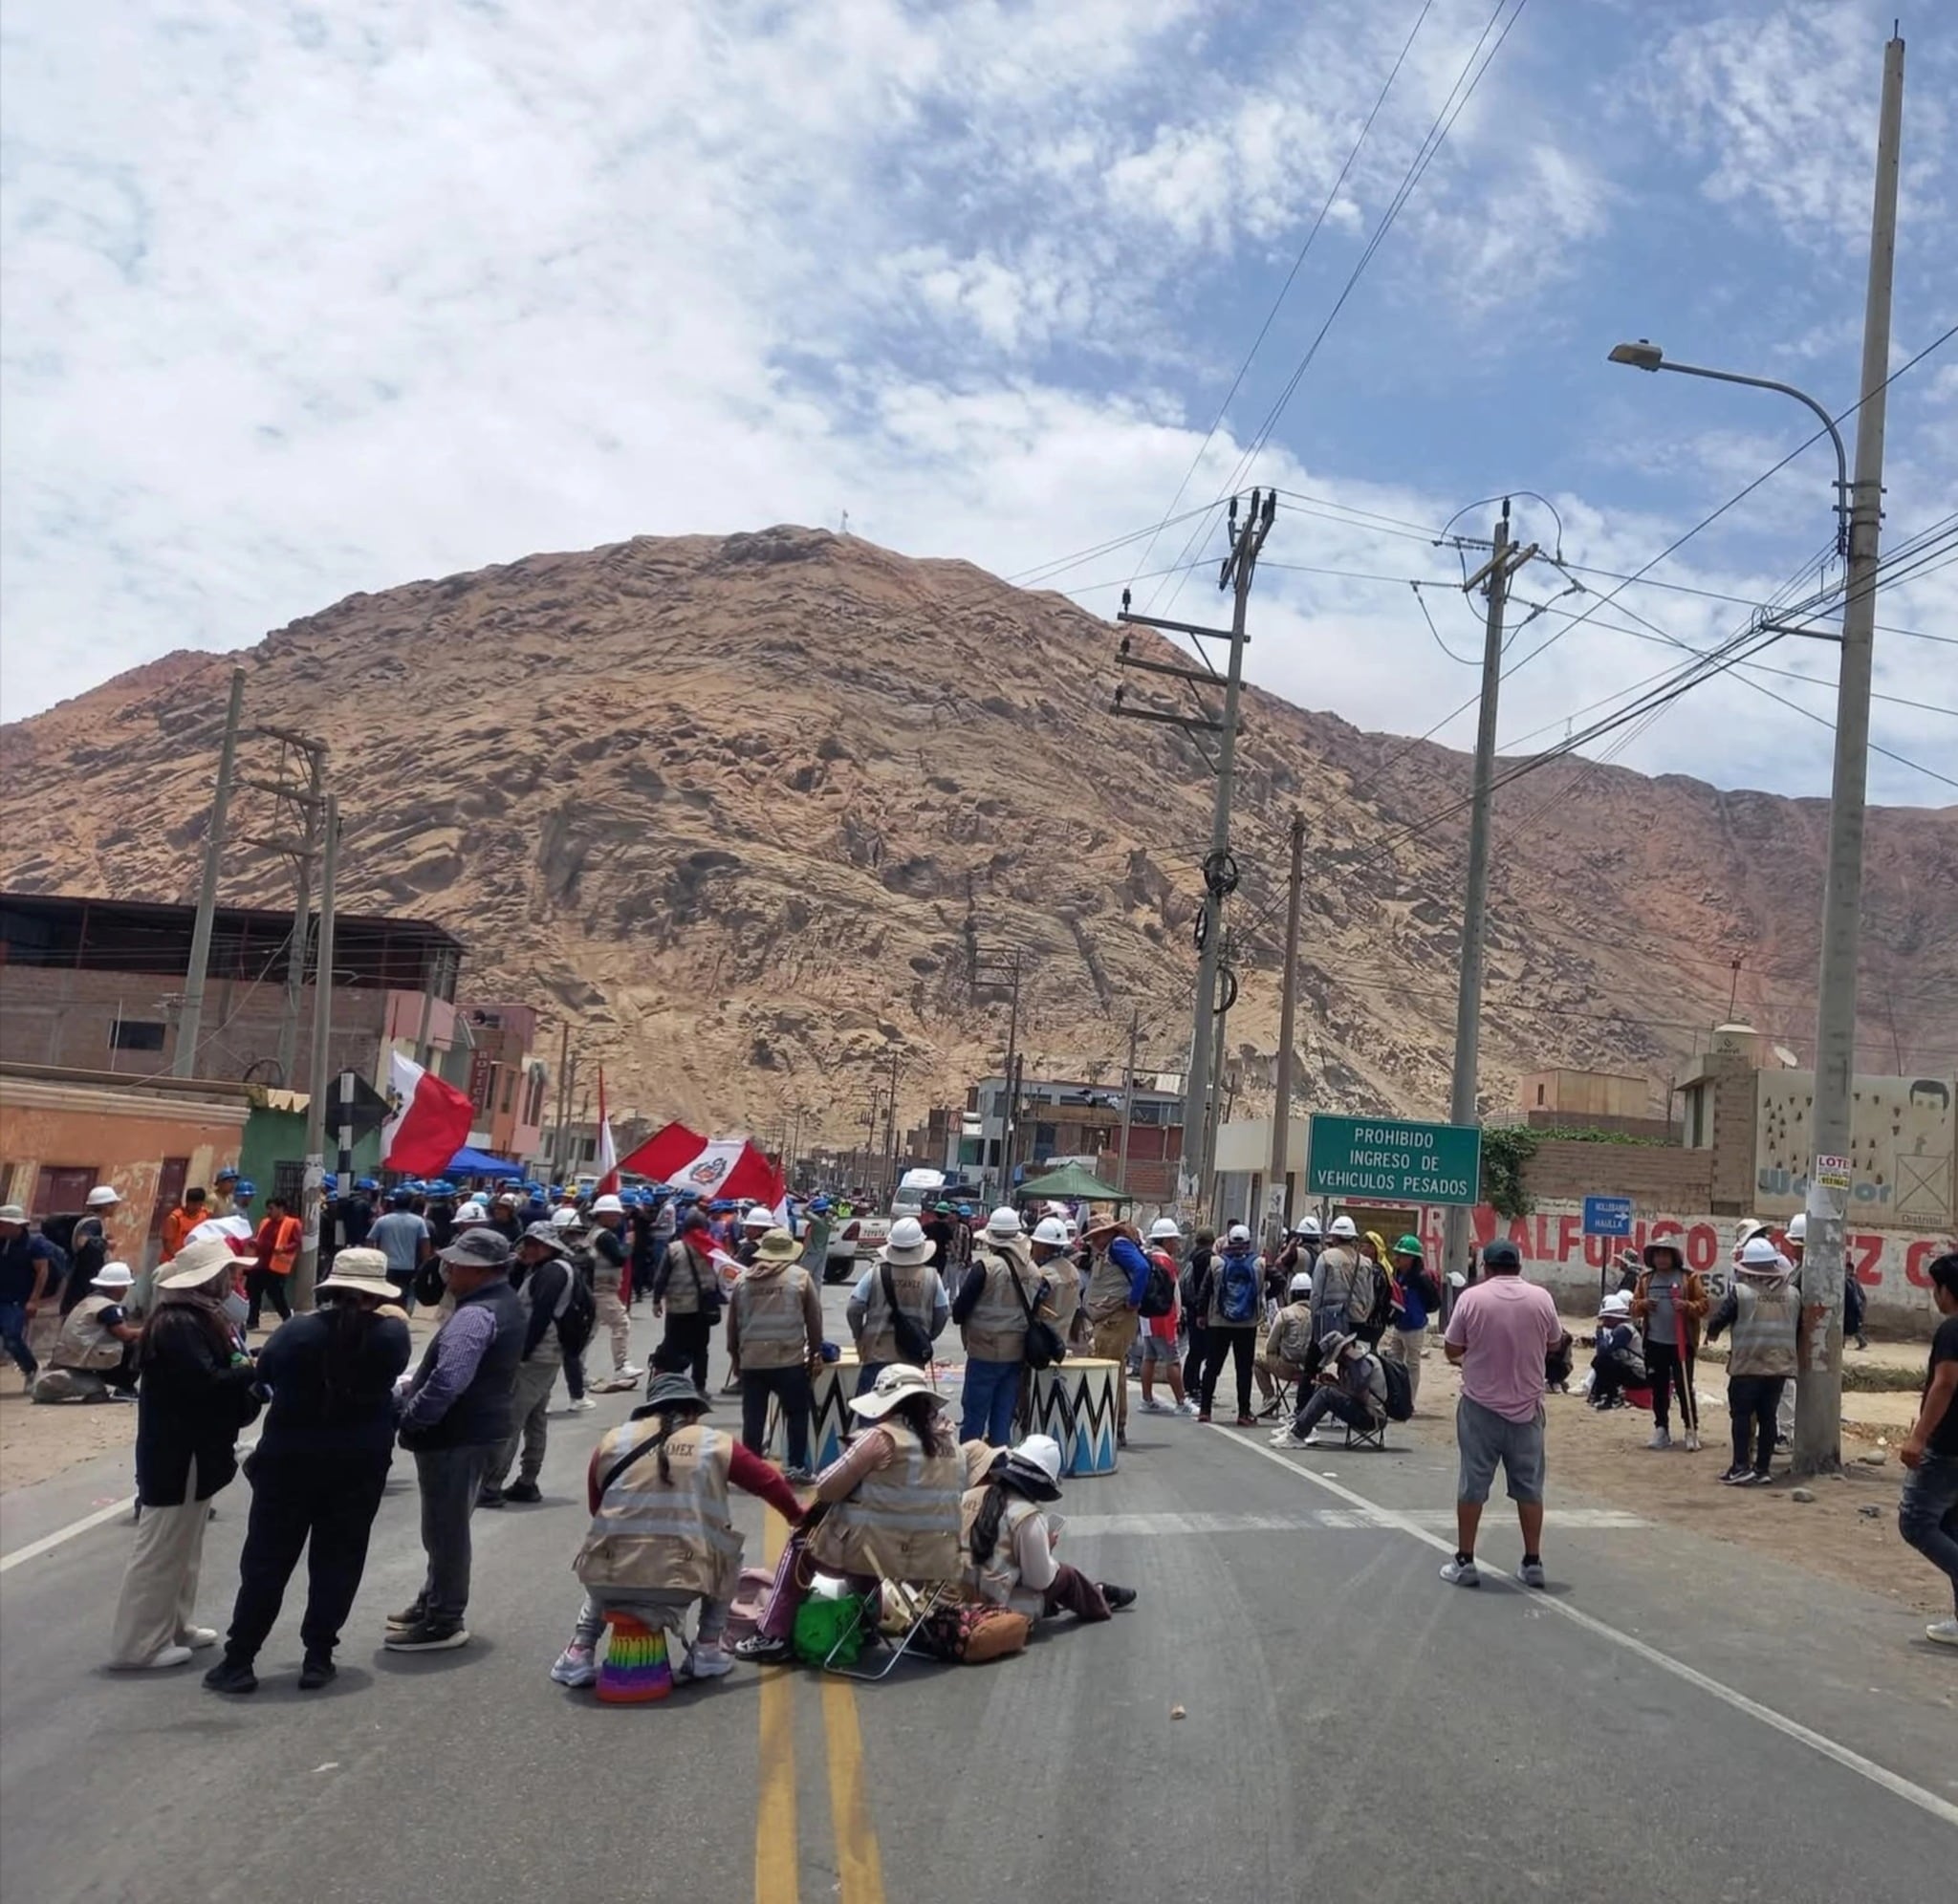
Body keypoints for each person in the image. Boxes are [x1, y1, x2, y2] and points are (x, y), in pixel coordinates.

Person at [202, 1250, 413, 1693]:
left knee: (266, 1562)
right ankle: (318, 1656)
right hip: (359, 1464)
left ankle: (240, 1659)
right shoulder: (393, 1336)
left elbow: (266, 1375)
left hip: (289, 1461)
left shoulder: (298, 1330)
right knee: (339, 1559)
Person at [550, 1373, 807, 1690]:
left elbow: (596, 1508)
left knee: (610, 1550)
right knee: (728, 1549)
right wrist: (796, 1516)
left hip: (607, 1582)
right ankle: (707, 1648)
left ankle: (579, 1651)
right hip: (681, 1583)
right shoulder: (715, 1442)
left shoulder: (613, 1440)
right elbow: (768, 1482)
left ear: (648, 1410)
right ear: (693, 1412)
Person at [734, 1364, 966, 1663]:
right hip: (936, 1559)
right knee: (871, 1542)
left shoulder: (881, 1439)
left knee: (802, 1543)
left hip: (879, 1555)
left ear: (888, 1405)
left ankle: (774, 1634)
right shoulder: (952, 1445)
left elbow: (827, 1486)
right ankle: (866, 1625)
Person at [107, 1239, 263, 1668]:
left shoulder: (197, 1318)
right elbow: (206, 1381)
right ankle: (139, 1645)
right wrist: (248, 1370)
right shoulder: (179, 1323)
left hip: (194, 1448)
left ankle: (175, 1625)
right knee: (161, 1550)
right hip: (179, 1451)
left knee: (185, 1545)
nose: (235, 1281)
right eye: (228, 1274)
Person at [387, 1226, 524, 1652]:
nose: (448, 1269)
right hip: (477, 1431)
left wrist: (413, 1417)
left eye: (457, 1263)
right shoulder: (503, 1303)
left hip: (458, 1434)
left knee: (445, 1530)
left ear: (478, 1269)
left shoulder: (475, 1314)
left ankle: (444, 1618)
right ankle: (434, 1599)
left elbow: (448, 1381)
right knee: (446, 1525)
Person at [1439, 1238, 1564, 1590]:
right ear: (1518, 1268)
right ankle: (1533, 1560)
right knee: (1529, 1488)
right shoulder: (1542, 1299)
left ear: (1487, 1268)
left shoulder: (1472, 1298)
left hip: (1480, 1406)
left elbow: (1452, 1348)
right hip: (1527, 1407)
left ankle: (1465, 1560)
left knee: (1472, 1484)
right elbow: (1554, 1342)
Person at [960, 1434, 1136, 1623]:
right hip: (989, 1608)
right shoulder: (1027, 1516)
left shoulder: (968, 1496)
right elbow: (1040, 1580)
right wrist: (1046, 1545)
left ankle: (1095, 1592)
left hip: (954, 1596)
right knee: (1066, 1576)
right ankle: (1097, 1598)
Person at [481, 1222, 583, 1507]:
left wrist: (521, 1354)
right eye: (527, 1243)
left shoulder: (552, 1272)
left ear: (550, 1246)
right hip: (547, 1356)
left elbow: (539, 1317)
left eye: (536, 1244)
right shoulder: (546, 1268)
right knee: (535, 1419)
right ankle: (527, 1481)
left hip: (536, 1357)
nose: (529, 1249)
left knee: (511, 1420)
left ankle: (491, 1484)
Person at [729, 1226, 824, 1482]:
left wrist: (736, 1359)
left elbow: (733, 1327)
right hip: (788, 1360)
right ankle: (795, 1466)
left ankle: (750, 1469)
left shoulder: (743, 1280)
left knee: (753, 1416)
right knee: (796, 1412)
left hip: (752, 1361)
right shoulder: (801, 1278)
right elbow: (814, 1321)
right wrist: (816, 1353)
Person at [1898, 1250, 1958, 1647]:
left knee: (1916, 1522)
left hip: (1948, 1444)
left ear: (1946, 1291)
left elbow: (1946, 1382)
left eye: (1935, 1289)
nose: (1934, 1297)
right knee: (1951, 1527)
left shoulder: (1953, 1330)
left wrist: (1919, 1435)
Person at [1704, 1235, 1798, 1486]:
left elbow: (1719, 1320)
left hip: (1747, 1365)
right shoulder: (1793, 1294)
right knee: (1769, 1418)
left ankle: (1740, 1466)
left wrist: (1711, 1333)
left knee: (1742, 1416)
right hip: (1779, 1368)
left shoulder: (1742, 1292)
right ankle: (1763, 1469)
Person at [953, 1207, 1040, 1447]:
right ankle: (999, 1464)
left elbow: (959, 1312)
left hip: (984, 1351)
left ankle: (972, 1466)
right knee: (1003, 1415)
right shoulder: (1032, 1270)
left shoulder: (985, 1268)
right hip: (1016, 1353)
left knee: (974, 1415)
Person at [848, 1216, 949, 1395]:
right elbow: (942, 1313)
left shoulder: (875, 1274)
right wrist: (927, 1336)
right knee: (910, 1415)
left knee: (872, 1414)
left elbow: (854, 1308)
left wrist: (859, 1335)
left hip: (877, 1354)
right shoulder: (932, 1277)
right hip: (913, 1357)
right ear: (920, 1246)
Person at [1631, 1238, 1708, 1452]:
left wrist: (1686, 1306)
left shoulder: (1689, 1278)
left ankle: (1691, 1429)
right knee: (1659, 1387)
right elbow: (1633, 1307)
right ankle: (1661, 1428)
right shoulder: (1646, 1280)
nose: (1661, 1259)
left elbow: (1704, 1304)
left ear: (1674, 1257)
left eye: (1666, 1254)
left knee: (1684, 1387)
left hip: (1682, 1343)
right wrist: (1643, 1304)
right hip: (1655, 1342)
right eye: (1657, 1255)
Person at [1082, 1212, 1151, 1447]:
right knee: (1114, 1371)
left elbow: (1142, 1269)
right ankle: (1114, 1424)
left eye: (1095, 1236)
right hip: (1110, 1318)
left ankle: (1110, 1423)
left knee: (1107, 1371)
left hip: (1116, 1319)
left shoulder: (1119, 1247)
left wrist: (1133, 1300)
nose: (1093, 1242)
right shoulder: (1113, 1248)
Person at [33, 1260, 141, 1401]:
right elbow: (125, 1335)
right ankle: (125, 1387)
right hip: (84, 1357)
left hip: (69, 1356)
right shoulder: (108, 1307)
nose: (126, 1290)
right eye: (125, 1286)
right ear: (116, 1287)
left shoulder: (89, 1301)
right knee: (136, 1345)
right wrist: (147, 1330)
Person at [1272, 1330, 1386, 1450]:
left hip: (1371, 1417)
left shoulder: (1358, 1362)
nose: (1336, 1361)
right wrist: (1334, 1383)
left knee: (1326, 1393)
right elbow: (1352, 1391)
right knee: (1324, 1389)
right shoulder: (1353, 1362)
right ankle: (1301, 1426)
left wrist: (1335, 1387)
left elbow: (1361, 1396)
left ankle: (1298, 1433)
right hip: (1366, 1412)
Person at [652, 1207, 720, 1393]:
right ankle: (699, 1387)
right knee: (700, 1350)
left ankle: (674, 1387)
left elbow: (661, 1277)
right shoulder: (713, 1248)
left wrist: (656, 1301)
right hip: (703, 1310)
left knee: (674, 1347)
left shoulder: (674, 1248)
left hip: (678, 1308)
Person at [1201, 1222, 1263, 1427]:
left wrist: (1202, 1314)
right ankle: (1244, 1412)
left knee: (1212, 1366)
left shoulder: (1216, 1263)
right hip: (1248, 1323)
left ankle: (1205, 1410)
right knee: (1244, 1369)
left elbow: (1205, 1290)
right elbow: (1279, 1281)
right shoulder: (1259, 1264)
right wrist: (1259, 1298)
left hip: (1219, 1322)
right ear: (1248, 1241)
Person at [1138, 1217, 1193, 1417]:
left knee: (1149, 1357)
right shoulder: (1165, 1261)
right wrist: (1177, 1316)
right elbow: (1172, 1292)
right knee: (1173, 1360)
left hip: (1147, 1317)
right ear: (1166, 1240)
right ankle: (1181, 1401)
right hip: (1164, 1318)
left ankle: (1147, 1399)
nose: (1177, 1245)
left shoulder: (1148, 1258)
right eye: (1174, 1240)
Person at [0, 1202, 59, 1389]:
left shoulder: (34, 1244)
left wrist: (34, 1300)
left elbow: (42, 1271)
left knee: (12, 1337)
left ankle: (31, 1368)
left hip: (17, 1298)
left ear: (15, 1225)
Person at [1311, 1216, 1386, 1347]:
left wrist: (1315, 1316)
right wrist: (1362, 1315)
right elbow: (1370, 1298)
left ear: (1335, 1237)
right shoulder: (1365, 1262)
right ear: (1353, 1238)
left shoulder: (1325, 1258)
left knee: (1314, 1360)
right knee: (1354, 1361)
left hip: (1330, 1320)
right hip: (1357, 1321)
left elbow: (1316, 1293)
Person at [1383, 1234, 1439, 1408]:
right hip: (1399, 1326)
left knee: (1412, 1365)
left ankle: (1410, 1402)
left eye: (1403, 1255)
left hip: (1415, 1327)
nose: (1397, 1257)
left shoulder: (1421, 1278)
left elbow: (1434, 1302)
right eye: (1397, 1253)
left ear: (1413, 1258)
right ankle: (1395, 1399)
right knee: (1394, 1363)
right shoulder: (1397, 1274)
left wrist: (1418, 1313)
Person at [56, 1185, 122, 1313]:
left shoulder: (90, 1221)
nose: (115, 1208)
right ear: (106, 1206)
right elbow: (82, 1241)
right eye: (113, 1204)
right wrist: (107, 1244)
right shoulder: (93, 1222)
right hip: (85, 1278)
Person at [368, 1188, 431, 1313]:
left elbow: (370, 1239)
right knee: (404, 1296)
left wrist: (374, 1258)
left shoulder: (382, 1220)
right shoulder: (418, 1221)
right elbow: (425, 1242)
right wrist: (425, 1263)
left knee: (385, 1295)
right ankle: (401, 1317)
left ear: (393, 1203)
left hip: (386, 1265)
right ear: (410, 1204)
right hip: (408, 1266)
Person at [1258, 1270, 1316, 1407]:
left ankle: (1269, 1398)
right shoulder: (1317, 1314)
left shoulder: (1285, 1314)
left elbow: (1270, 1346)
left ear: (1292, 1293)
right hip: (1311, 1370)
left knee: (1257, 1361)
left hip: (1286, 1367)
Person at [247, 1194, 301, 1330]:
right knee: (254, 1293)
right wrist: (255, 1244)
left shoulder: (292, 1223)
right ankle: (252, 1321)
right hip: (260, 1263)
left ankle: (287, 1319)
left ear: (280, 1208)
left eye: (271, 1209)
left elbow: (297, 1242)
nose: (268, 1212)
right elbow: (259, 1237)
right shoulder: (265, 1222)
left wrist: (284, 1249)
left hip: (276, 1265)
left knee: (276, 1295)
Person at [1026, 1215, 1079, 1348]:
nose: (1032, 1248)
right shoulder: (1072, 1269)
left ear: (1045, 1247)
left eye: (1035, 1244)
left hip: (1041, 1342)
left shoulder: (1044, 1275)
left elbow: (1029, 1308)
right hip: (1062, 1339)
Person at [1588, 1292, 1645, 1409]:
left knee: (1603, 1361)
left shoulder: (1623, 1330)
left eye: (1607, 1318)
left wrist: (1599, 1334)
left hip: (1639, 1375)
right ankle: (1603, 1395)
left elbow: (1604, 1353)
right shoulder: (1621, 1328)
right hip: (1635, 1372)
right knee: (1600, 1361)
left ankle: (1612, 1397)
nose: (1604, 1322)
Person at [1179, 1228, 1215, 1402]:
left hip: (1192, 1307)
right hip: (1203, 1309)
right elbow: (1207, 1287)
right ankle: (1193, 1384)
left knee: (1195, 1348)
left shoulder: (1192, 1256)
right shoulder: (1209, 1258)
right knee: (1201, 1349)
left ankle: (1191, 1383)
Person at [162, 1188, 207, 1261]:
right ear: (187, 1202)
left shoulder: (204, 1215)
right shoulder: (175, 1218)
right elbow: (167, 1243)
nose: (197, 1207)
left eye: (200, 1204)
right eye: (194, 1204)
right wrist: (179, 1257)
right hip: (172, 1260)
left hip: (191, 1260)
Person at [921, 1201, 959, 1271]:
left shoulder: (927, 1227)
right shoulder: (946, 1229)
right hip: (940, 1258)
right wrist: (955, 1255)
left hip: (928, 1256)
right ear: (947, 1215)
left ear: (935, 1213)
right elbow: (951, 1245)